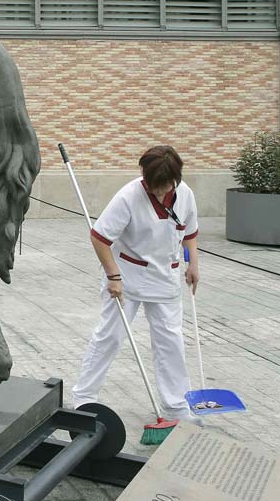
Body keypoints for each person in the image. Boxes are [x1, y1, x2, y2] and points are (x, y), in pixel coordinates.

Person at [70, 145, 201, 423]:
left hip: (166, 277)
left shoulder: (185, 194)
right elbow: (100, 238)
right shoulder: (129, 197)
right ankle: (84, 396)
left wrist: (194, 264)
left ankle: (176, 406)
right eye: (155, 186)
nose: (160, 191)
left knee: (171, 341)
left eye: (166, 185)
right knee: (110, 335)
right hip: (127, 277)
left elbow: (189, 232)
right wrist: (113, 276)